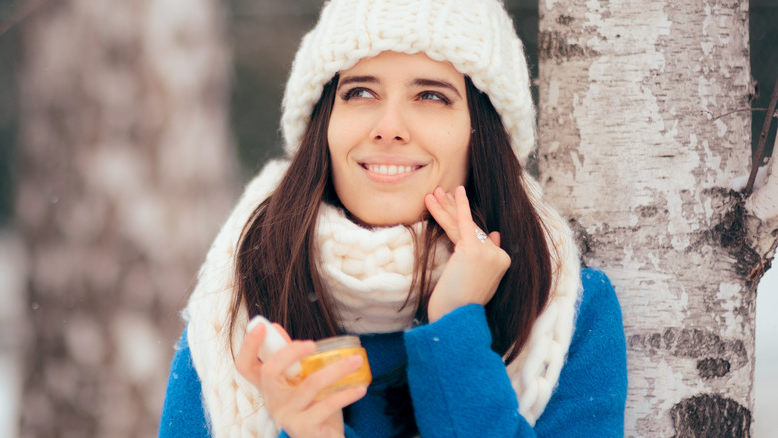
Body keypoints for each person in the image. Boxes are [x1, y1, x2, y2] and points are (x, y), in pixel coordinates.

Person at [158, 0, 627, 437]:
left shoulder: (567, 311)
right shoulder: (234, 315)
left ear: (482, 133)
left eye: (432, 96)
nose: (388, 126)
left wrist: (455, 332)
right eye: (360, 91)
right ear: (323, 125)